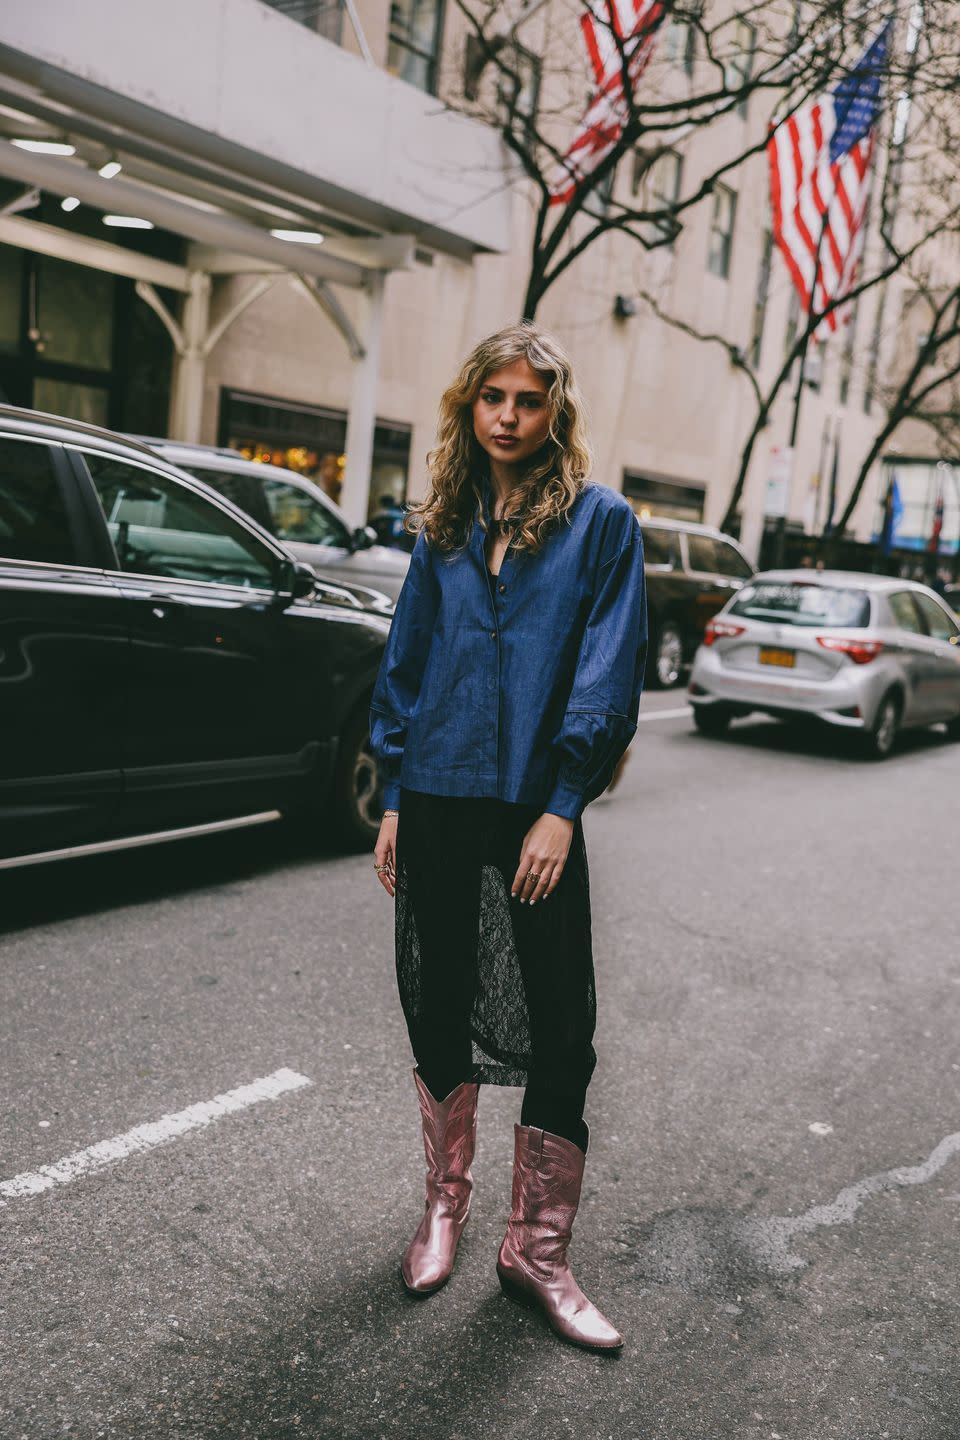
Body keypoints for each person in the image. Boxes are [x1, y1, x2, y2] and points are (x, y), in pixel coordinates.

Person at [369, 322, 647, 1352]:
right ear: (469, 405)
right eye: (494, 398)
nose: (510, 417)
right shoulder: (441, 524)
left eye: (530, 401)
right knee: (437, 1000)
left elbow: (608, 672)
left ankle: (536, 1250)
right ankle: (444, 1207)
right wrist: (394, 793)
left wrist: (564, 807)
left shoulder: (601, 524)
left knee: (561, 1027)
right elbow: (408, 659)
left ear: (554, 411)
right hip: (437, 792)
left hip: (534, 802)